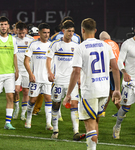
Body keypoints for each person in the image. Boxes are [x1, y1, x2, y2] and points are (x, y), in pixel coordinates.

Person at [63, 18, 121, 150]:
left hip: (90, 90)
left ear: (82, 30)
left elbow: (76, 72)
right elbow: (115, 68)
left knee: (89, 124)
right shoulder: (105, 45)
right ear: (95, 30)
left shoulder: (80, 47)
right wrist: (117, 89)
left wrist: (68, 94)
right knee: (95, 123)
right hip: (104, 91)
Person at [46, 20, 85, 140]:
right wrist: (49, 72)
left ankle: (76, 131)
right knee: (56, 104)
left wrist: (79, 78)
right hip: (58, 80)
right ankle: (56, 129)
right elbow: (48, 59)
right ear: (63, 31)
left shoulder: (76, 46)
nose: (71, 33)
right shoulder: (55, 44)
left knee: (74, 104)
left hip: (71, 81)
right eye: (69, 31)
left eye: (73, 31)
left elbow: (79, 64)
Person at [24, 23, 53, 130]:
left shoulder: (52, 45)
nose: (46, 35)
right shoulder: (33, 44)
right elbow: (26, 61)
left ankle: (48, 124)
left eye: (48, 33)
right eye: (44, 32)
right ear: (39, 33)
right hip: (35, 78)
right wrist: (30, 74)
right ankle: (28, 119)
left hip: (47, 78)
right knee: (32, 100)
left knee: (48, 99)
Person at [112, 31, 135, 139]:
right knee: (126, 107)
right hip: (129, 79)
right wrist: (124, 72)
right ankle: (117, 127)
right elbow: (120, 61)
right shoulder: (127, 44)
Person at [13, 21, 34, 120]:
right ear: (16, 31)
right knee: (16, 90)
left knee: (26, 92)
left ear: (26, 30)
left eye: (23, 33)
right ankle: (16, 108)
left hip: (26, 70)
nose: (21, 35)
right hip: (16, 69)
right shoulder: (13, 39)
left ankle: (23, 113)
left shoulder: (31, 40)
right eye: (19, 33)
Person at [99, 31, 122, 117]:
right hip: (118, 69)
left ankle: (121, 111)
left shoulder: (103, 44)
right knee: (108, 91)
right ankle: (102, 111)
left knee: (112, 92)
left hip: (111, 69)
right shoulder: (114, 43)